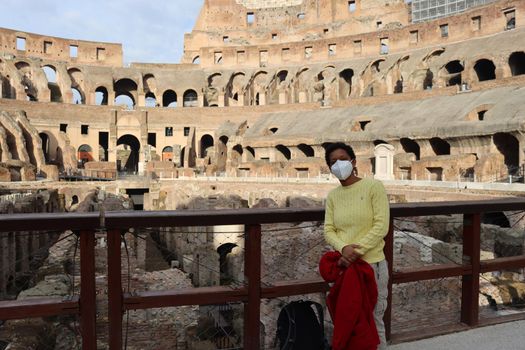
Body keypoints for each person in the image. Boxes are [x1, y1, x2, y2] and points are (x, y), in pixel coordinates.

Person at [323, 142, 390, 349]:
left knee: (373, 319)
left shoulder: (373, 187)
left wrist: (355, 251)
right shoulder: (333, 196)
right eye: (333, 162)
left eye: (343, 159)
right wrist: (344, 249)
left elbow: (381, 226)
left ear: (353, 162)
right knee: (348, 322)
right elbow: (329, 230)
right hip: (345, 269)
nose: (338, 164)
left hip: (371, 266)